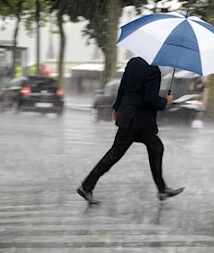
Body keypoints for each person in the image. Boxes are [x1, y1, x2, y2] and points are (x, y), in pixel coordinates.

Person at [77, 57, 184, 204]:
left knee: (155, 147)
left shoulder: (134, 63)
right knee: (115, 155)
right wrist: (166, 101)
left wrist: (117, 107)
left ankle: (162, 189)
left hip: (128, 117)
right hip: (138, 122)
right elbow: (150, 99)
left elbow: (123, 85)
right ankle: (86, 186)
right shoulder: (153, 71)